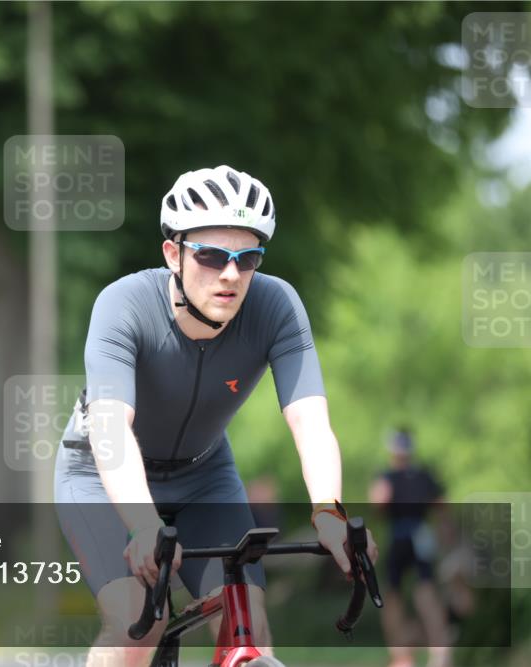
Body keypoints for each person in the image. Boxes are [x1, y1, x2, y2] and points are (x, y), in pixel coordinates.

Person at [54, 165, 378, 667]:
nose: (230, 274)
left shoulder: (277, 307)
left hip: (204, 475)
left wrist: (328, 512)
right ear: (173, 254)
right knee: (140, 620)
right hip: (98, 473)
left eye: (247, 259)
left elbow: (311, 423)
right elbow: (111, 430)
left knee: (248, 620)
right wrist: (142, 525)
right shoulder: (122, 305)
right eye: (210, 256)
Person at [369, 428, 452, 667]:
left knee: (402, 595)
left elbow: (378, 502)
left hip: (406, 537)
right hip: (413, 536)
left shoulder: (393, 476)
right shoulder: (419, 475)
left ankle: (408, 654)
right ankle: (429, 653)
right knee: (415, 592)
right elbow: (442, 509)